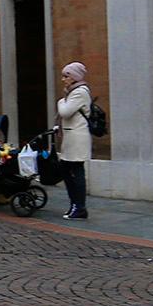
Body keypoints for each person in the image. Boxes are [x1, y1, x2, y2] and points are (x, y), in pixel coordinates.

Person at [55, 62, 94, 220]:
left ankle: (80, 207)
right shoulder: (72, 92)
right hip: (72, 137)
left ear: (75, 77)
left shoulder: (80, 92)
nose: (63, 79)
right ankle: (75, 204)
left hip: (77, 138)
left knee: (76, 172)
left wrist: (60, 101)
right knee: (67, 170)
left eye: (66, 76)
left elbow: (65, 112)